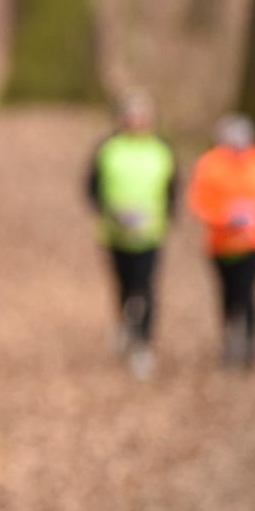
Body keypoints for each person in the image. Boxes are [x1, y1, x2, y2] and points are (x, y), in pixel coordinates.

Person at [85, 89, 177, 378]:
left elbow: (173, 189)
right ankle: (125, 325)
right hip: (115, 233)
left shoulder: (162, 150)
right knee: (124, 286)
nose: (136, 121)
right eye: (131, 115)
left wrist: (166, 217)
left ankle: (143, 343)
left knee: (145, 287)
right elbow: (92, 187)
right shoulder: (109, 148)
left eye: (142, 116)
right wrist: (108, 211)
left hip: (150, 234)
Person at [187, 113, 255, 369]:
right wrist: (223, 219)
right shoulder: (209, 164)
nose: (238, 146)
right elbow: (198, 202)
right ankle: (229, 338)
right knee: (228, 294)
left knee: (248, 293)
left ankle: (250, 345)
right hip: (221, 245)